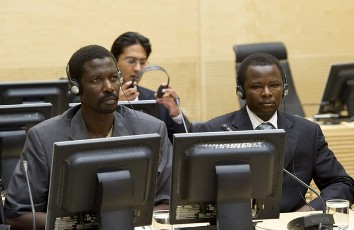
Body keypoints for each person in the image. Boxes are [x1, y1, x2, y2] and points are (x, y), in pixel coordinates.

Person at [4, 45, 172, 229]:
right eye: (96, 80)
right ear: (76, 88)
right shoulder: (44, 137)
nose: (109, 87)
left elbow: (167, 201)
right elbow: (17, 214)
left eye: (113, 78)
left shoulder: (151, 129)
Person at [199, 52, 354, 212]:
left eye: (274, 85)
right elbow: (199, 193)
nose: (267, 93)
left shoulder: (308, 132)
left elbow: (342, 184)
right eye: (256, 86)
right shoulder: (216, 131)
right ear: (241, 91)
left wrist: (309, 210)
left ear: (285, 89)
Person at [110, 32, 190, 143]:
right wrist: (114, 105)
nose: (138, 68)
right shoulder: (101, 99)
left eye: (142, 62)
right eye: (131, 61)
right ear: (114, 61)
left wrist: (176, 114)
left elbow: (183, 146)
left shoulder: (157, 101)